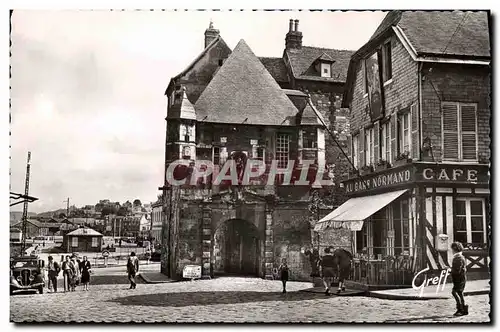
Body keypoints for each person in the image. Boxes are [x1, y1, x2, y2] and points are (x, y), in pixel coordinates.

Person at [450, 242, 468, 316]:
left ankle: (460, 309)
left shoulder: (458, 258)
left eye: (452, 249)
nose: (451, 251)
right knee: (459, 293)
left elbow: (457, 270)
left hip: (459, 278)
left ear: (455, 249)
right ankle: (464, 309)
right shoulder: (460, 257)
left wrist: (450, 270)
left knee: (455, 292)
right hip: (461, 278)